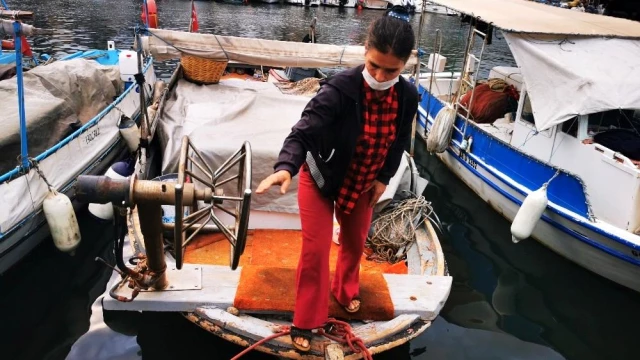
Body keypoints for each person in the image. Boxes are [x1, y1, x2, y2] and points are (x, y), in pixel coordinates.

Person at [255, 6, 418, 352]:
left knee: (356, 243)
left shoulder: (408, 96)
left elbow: (400, 140)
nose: (380, 75)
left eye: (391, 70)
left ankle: (345, 290)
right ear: (365, 51)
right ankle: (306, 319)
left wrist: (384, 178)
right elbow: (302, 134)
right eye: (374, 65)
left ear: (405, 65)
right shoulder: (339, 90)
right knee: (315, 252)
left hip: (364, 181)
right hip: (321, 179)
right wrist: (285, 167)